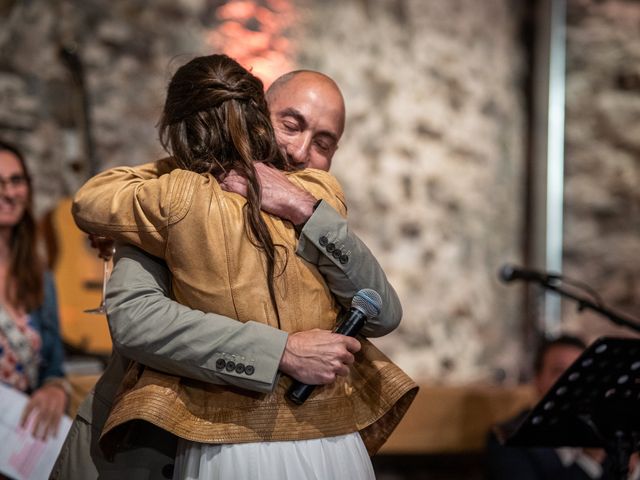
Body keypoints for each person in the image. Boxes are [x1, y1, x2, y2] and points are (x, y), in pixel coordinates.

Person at [52, 56, 416, 479]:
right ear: (256, 117)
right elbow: (138, 320)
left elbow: (383, 311)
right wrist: (282, 350)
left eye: (323, 143)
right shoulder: (169, 195)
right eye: (291, 125)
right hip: (162, 443)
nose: (300, 152)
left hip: (310, 435)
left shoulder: (317, 204)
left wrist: (302, 209)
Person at [486, 334, 636, 480]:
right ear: (537, 379)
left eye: (581, 372)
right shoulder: (505, 437)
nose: (572, 380)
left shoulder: (603, 430)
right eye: (559, 371)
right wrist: (590, 458)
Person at [0, 140, 68, 442]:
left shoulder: (40, 275)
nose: (8, 192)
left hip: (20, 441)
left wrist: (54, 387)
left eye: (16, 181)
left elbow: (53, 364)